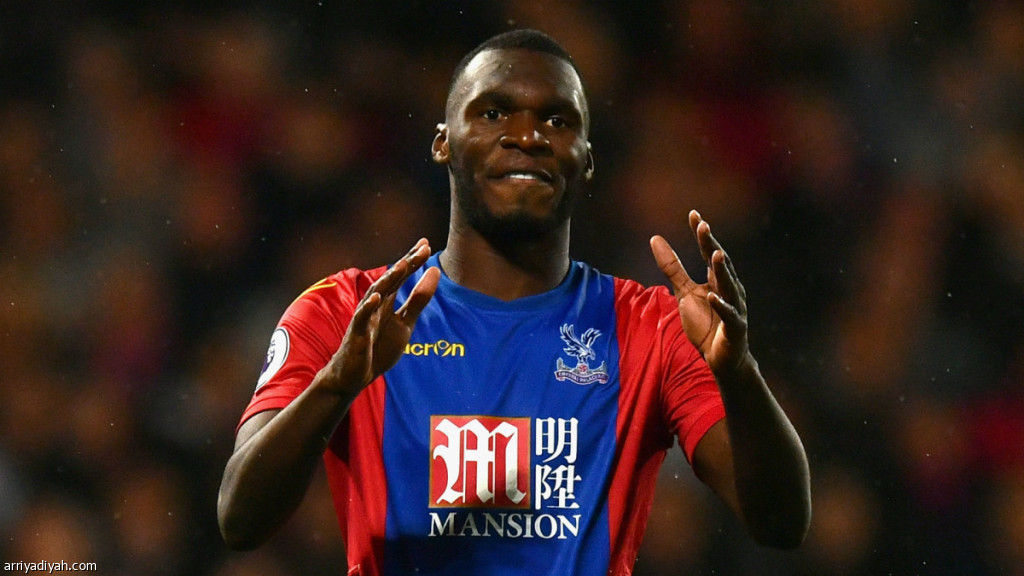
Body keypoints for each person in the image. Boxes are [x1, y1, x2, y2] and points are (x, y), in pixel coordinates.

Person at [217, 29, 811, 575]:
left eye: (556, 120)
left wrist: (739, 371)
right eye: (494, 112)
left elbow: (781, 523)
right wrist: (335, 386)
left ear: (587, 159)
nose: (527, 137)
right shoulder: (351, 313)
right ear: (443, 144)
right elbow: (240, 519)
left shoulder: (652, 328)